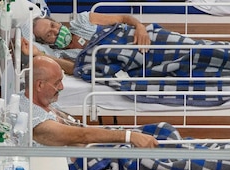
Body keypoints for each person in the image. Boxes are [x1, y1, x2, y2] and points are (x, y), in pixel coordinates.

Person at [22, 55, 159, 148]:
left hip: (95, 148)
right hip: (91, 162)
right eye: (57, 83)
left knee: (162, 131)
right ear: (39, 85)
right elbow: (83, 135)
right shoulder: (38, 122)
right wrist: (129, 136)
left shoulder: (38, 101)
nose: (62, 87)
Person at [30, 13, 151, 74]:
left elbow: (123, 18)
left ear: (56, 21)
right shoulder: (61, 56)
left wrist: (140, 26)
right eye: (49, 34)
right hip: (129, 59)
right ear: (46, 43)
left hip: (138, 38)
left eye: (53, 25)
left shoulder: (83, 20)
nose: (56, 31)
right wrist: (42, 55)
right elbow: (75, 69)